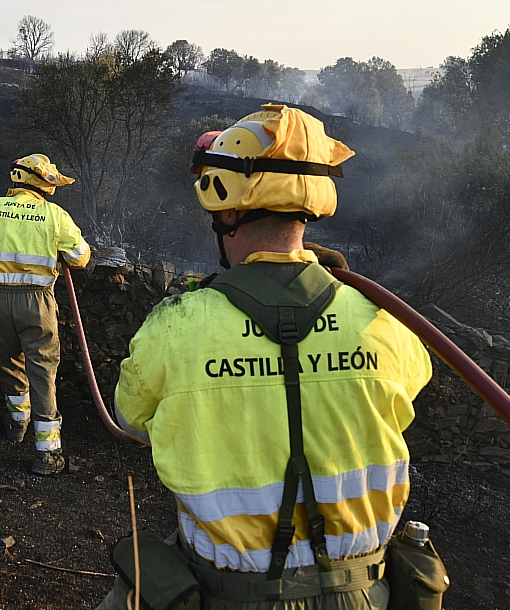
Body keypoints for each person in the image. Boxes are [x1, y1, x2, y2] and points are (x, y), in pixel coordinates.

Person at [98, 104, 435, 609]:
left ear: (227, 208)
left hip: (227, 594)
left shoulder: (177, 324)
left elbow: (131, 419)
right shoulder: (383, 319)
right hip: (365, 595)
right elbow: (406, 392)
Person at [0, 154, 91, 475]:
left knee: (7, 362)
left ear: (16, 179)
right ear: (45, 185)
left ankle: (16, 424)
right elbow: (81, 258)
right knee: (42, 370)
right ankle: (48, 453)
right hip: (35, 302)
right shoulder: (54, 216)